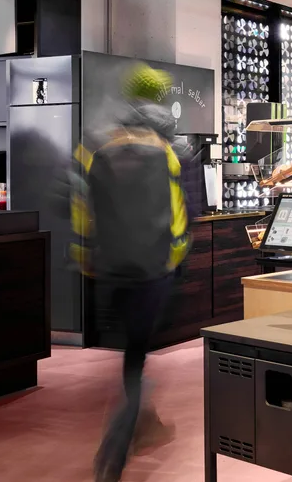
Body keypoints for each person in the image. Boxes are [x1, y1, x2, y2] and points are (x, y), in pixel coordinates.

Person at [68, 64, 192, 482]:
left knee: (129, 356)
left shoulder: (95, 149)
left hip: (109, 270)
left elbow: (81, 208)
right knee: (136, 360)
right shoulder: (167, 153)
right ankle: (117, 444)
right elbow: (177, 218)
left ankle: (141, 422)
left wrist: (85, 253)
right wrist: (176, 257)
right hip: (152, 271)